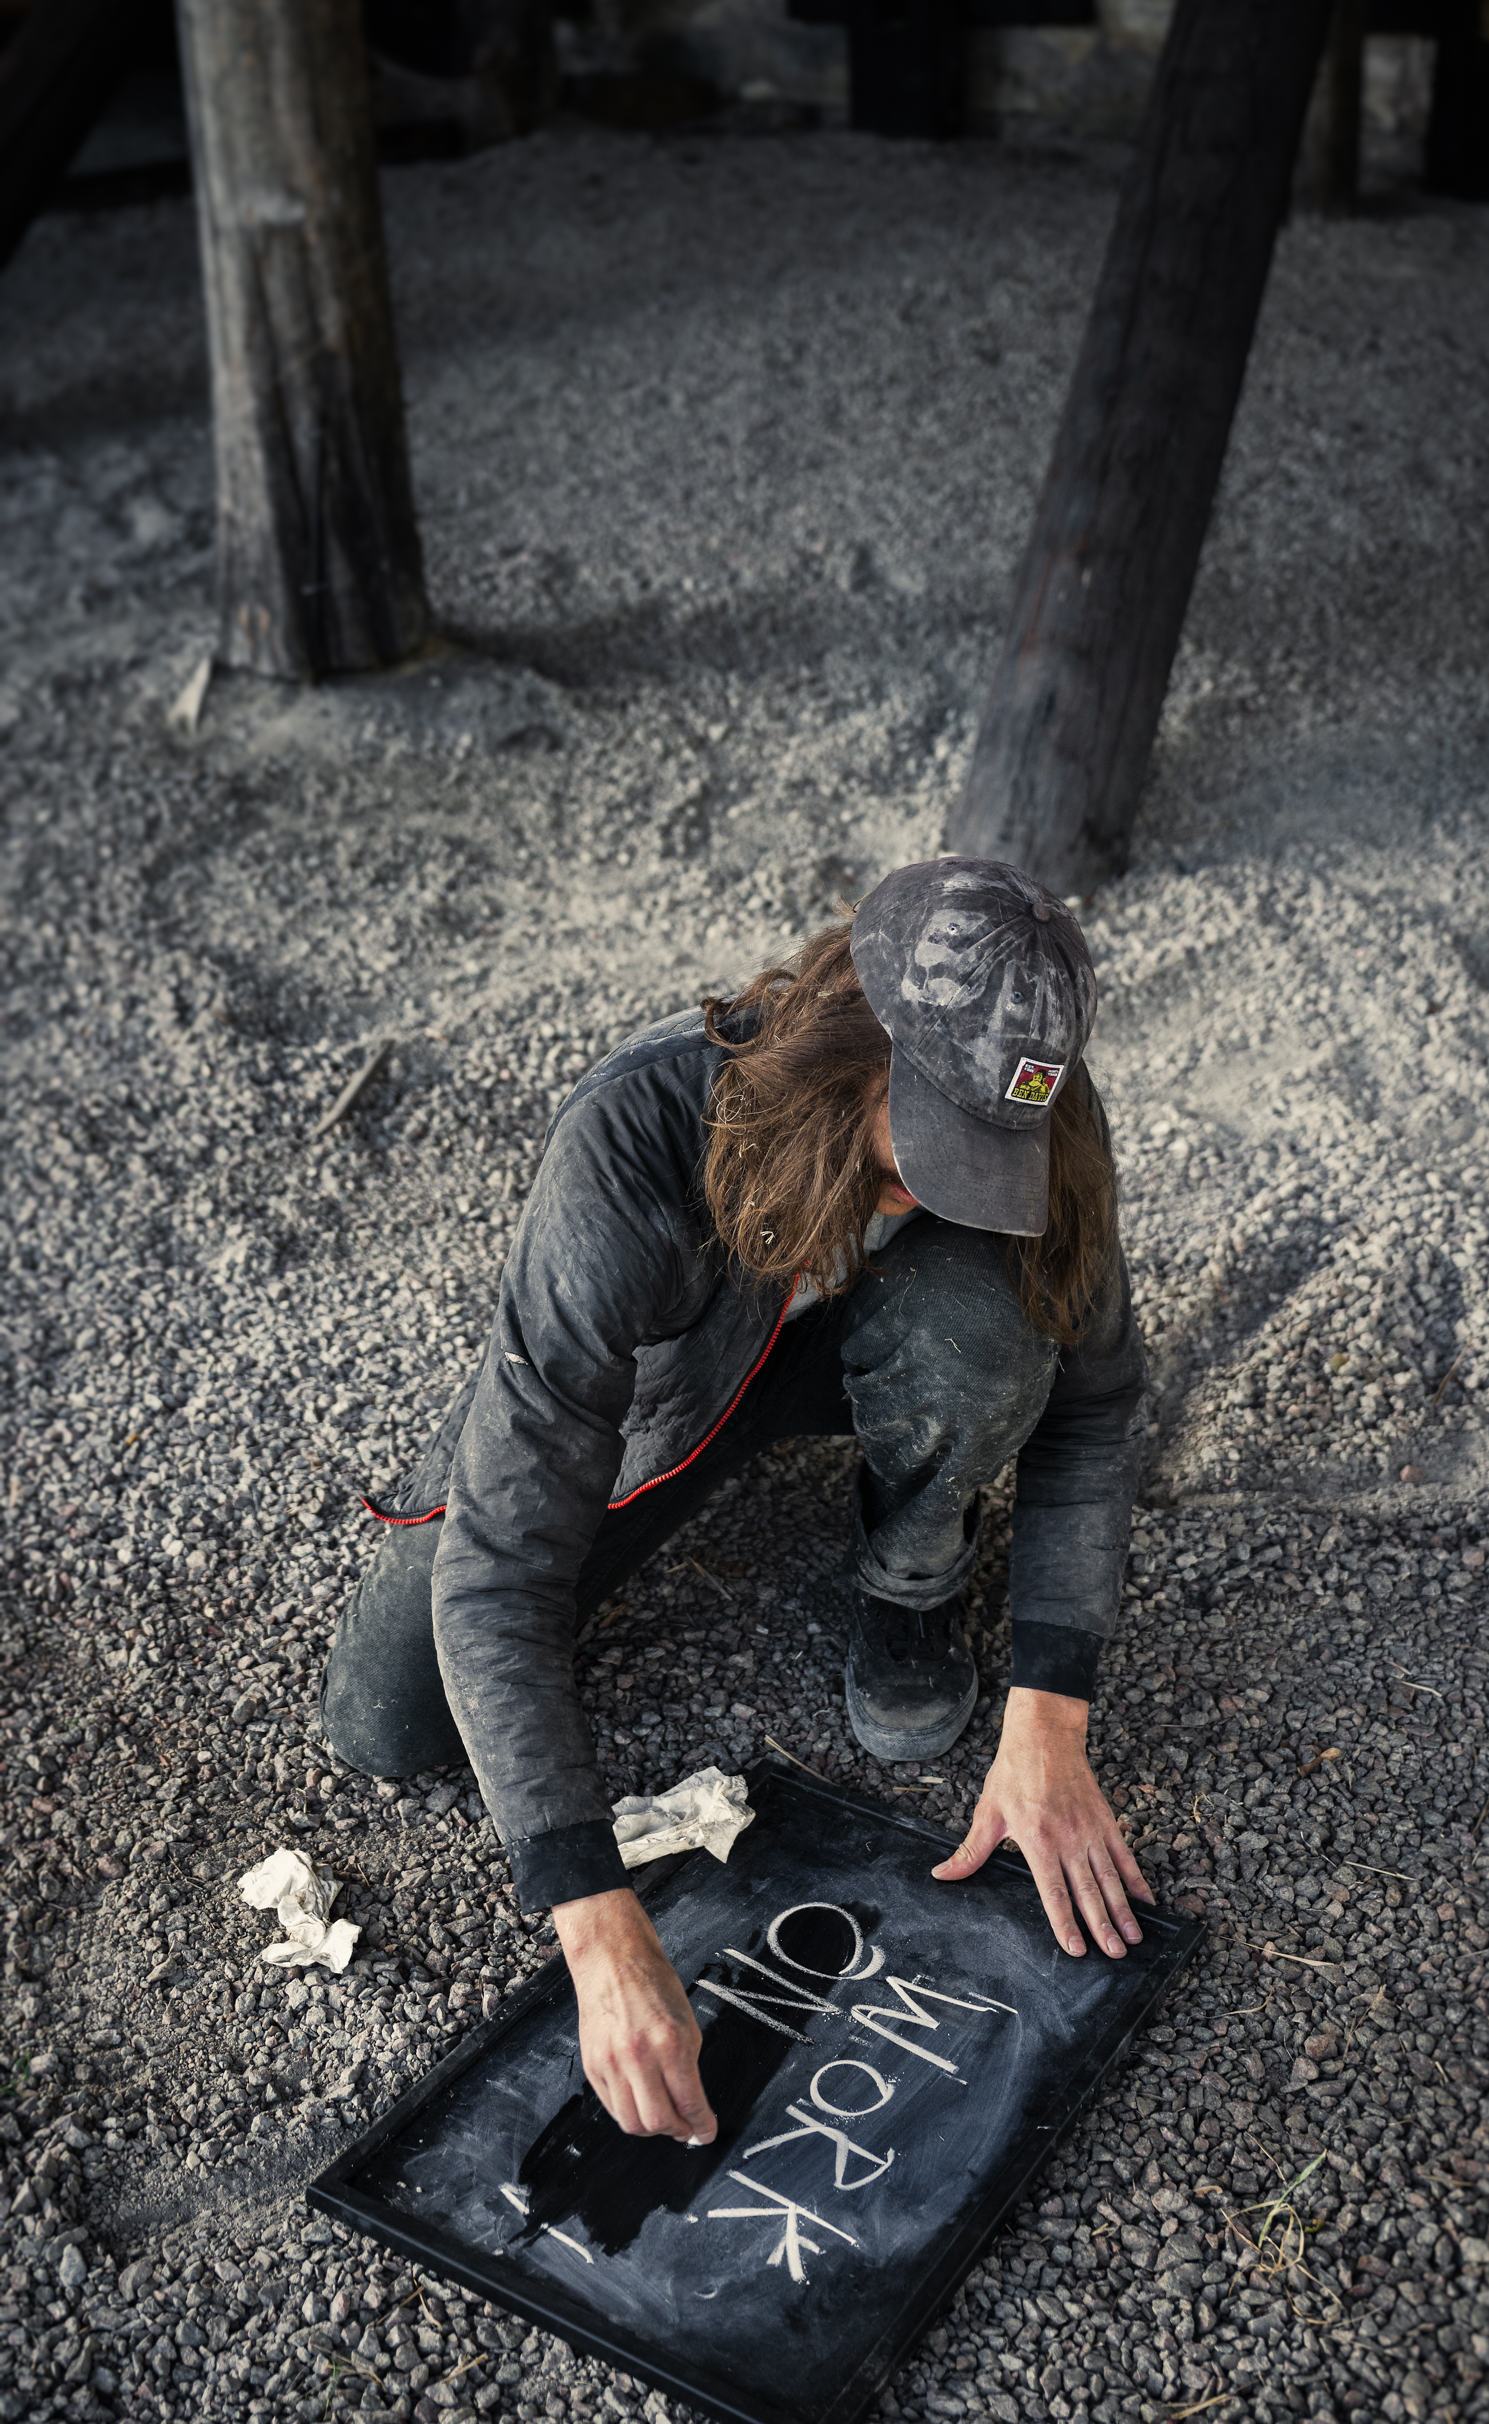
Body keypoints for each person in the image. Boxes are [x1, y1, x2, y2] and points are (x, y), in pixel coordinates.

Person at [322, 856, 1154, 2151]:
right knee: (386, 1721)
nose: (954, 1187)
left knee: (990, 1337)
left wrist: (1050, 1715)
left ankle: (912, 1573)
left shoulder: (1029, 1086)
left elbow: (1095, 1407)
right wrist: (595, 1917)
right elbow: (500, 1565)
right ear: (846, 1051)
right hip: (663, 1400)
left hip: (879, 1342)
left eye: (988, 1161)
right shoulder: (631, 1138)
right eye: (930, 1150)